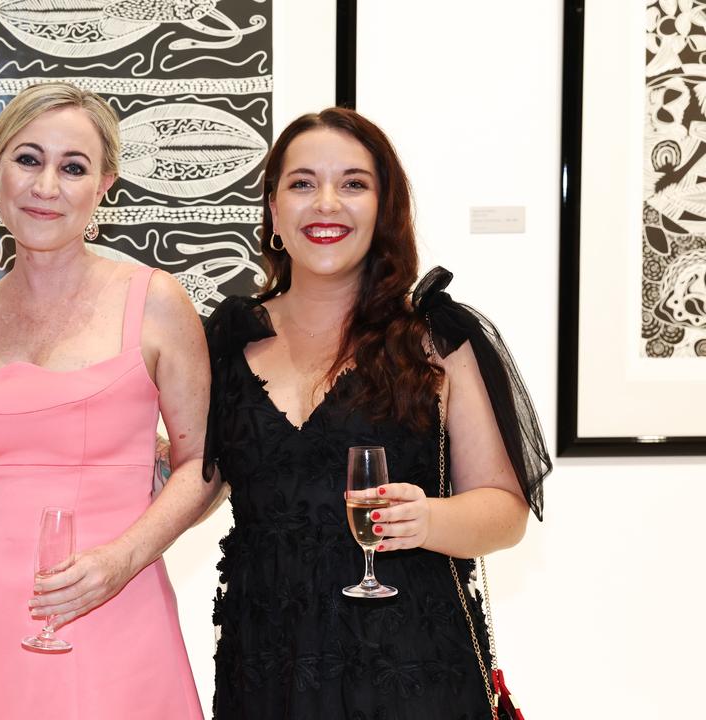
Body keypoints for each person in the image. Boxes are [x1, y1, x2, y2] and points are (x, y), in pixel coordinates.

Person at [203, 108, 551, 718]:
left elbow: (505, 511)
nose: (327, 203)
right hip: (266, 664)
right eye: (303, 183)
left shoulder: (436, 338)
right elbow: (201, 478)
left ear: (384, 210)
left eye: (354, 183)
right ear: (274, 210)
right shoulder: (226, 341)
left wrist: (429, 520)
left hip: (409, 664)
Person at [0, 82, 219, 719]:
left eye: (73, 167)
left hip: (116, 603)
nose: (46, 186)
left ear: (104, 186)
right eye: (28, 159)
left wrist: (122, 558)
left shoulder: (157, 303)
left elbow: (206, 463)